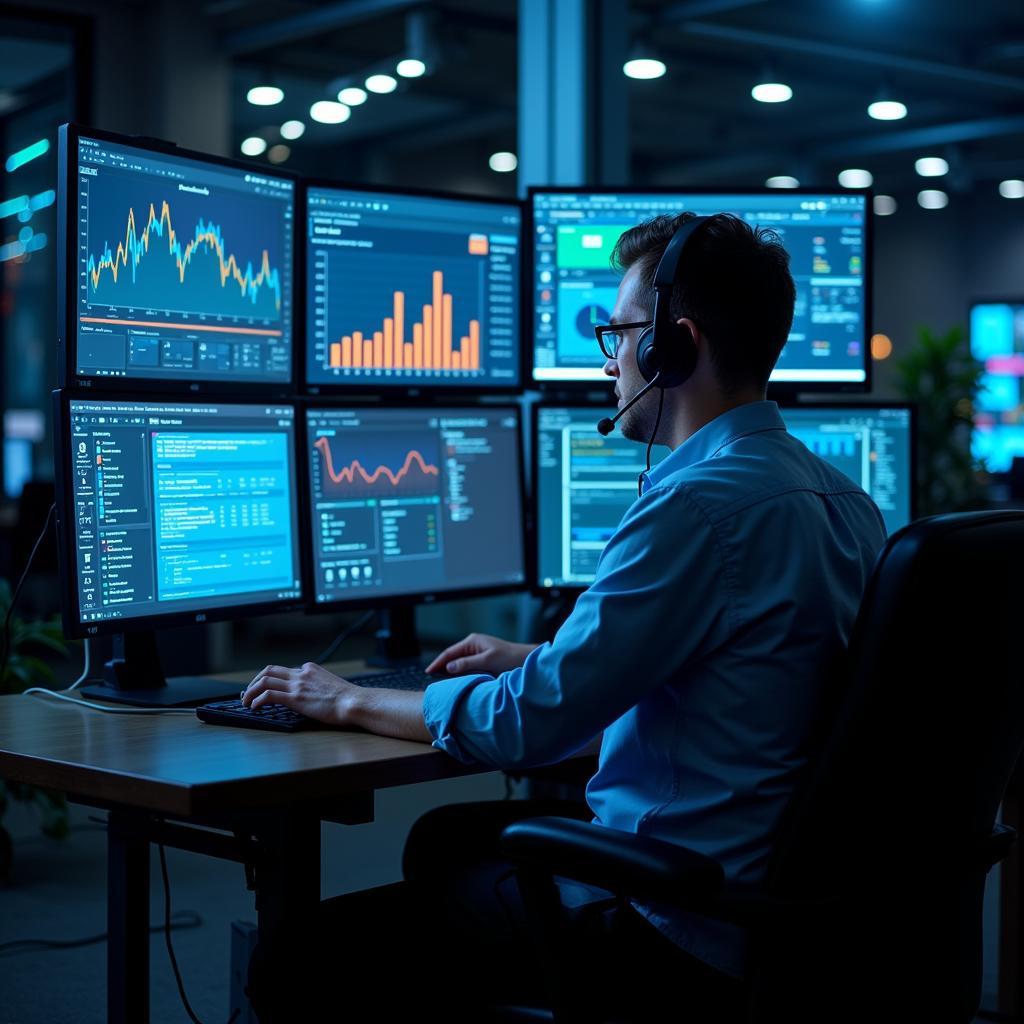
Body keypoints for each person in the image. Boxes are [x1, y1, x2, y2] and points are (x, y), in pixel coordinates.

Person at [243, 212, 887, 1022]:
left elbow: (529, 730)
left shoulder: (697, 505)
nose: (612, 359)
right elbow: (740, 681)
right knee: (445, 840)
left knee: (299, 960)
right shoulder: (845, 501)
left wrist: (348, 699)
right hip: (785, 903)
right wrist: (533, 658)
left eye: (617, 334)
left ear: (671, 348)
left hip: (677, 926)